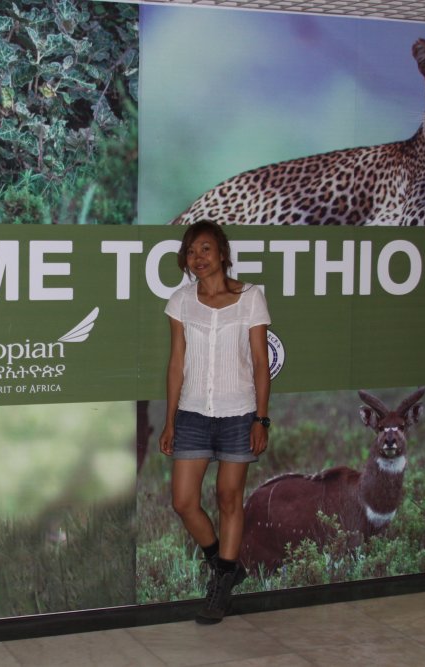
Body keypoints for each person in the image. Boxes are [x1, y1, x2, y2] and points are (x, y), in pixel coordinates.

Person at [158, 220, 271, 624]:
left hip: (239, 413)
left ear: (222, 253)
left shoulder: (251, 297)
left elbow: (260, 363)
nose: (198, 258)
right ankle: (224, 566)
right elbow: (176, 363)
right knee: (183, 501)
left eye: (205, 249)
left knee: (228, 498)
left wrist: (261, 419)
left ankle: (221, 585)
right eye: (191, 252)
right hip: (192, 413)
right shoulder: (180, 302)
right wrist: (170, 420)